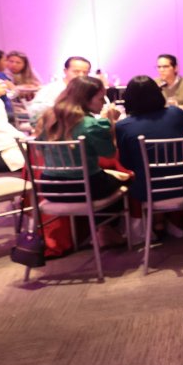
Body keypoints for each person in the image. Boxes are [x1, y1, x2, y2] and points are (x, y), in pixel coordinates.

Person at [34, 76, 127, 246]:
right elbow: (109, 154)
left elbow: (39, 150)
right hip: (85, 186)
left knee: (108, 177)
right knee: (125, 182)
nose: (102, 103)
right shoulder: (90, 124)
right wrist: (110, 122)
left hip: (49, 187)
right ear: (86, 99)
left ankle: (90, 232)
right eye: (100, 99)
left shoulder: (48, 117)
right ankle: (106, 230)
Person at [114, 75, 183, 234]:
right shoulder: (174, 113)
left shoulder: (122, 126)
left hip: (148, 189)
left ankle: (158, 222)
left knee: (141, 175)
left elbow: (126, 164)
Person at [28, 56, 92, 124]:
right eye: (76, 72)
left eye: (85, 72)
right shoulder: (52, 88)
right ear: (65, 71)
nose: (81, 75)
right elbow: (33, 111)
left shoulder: (89, 89)